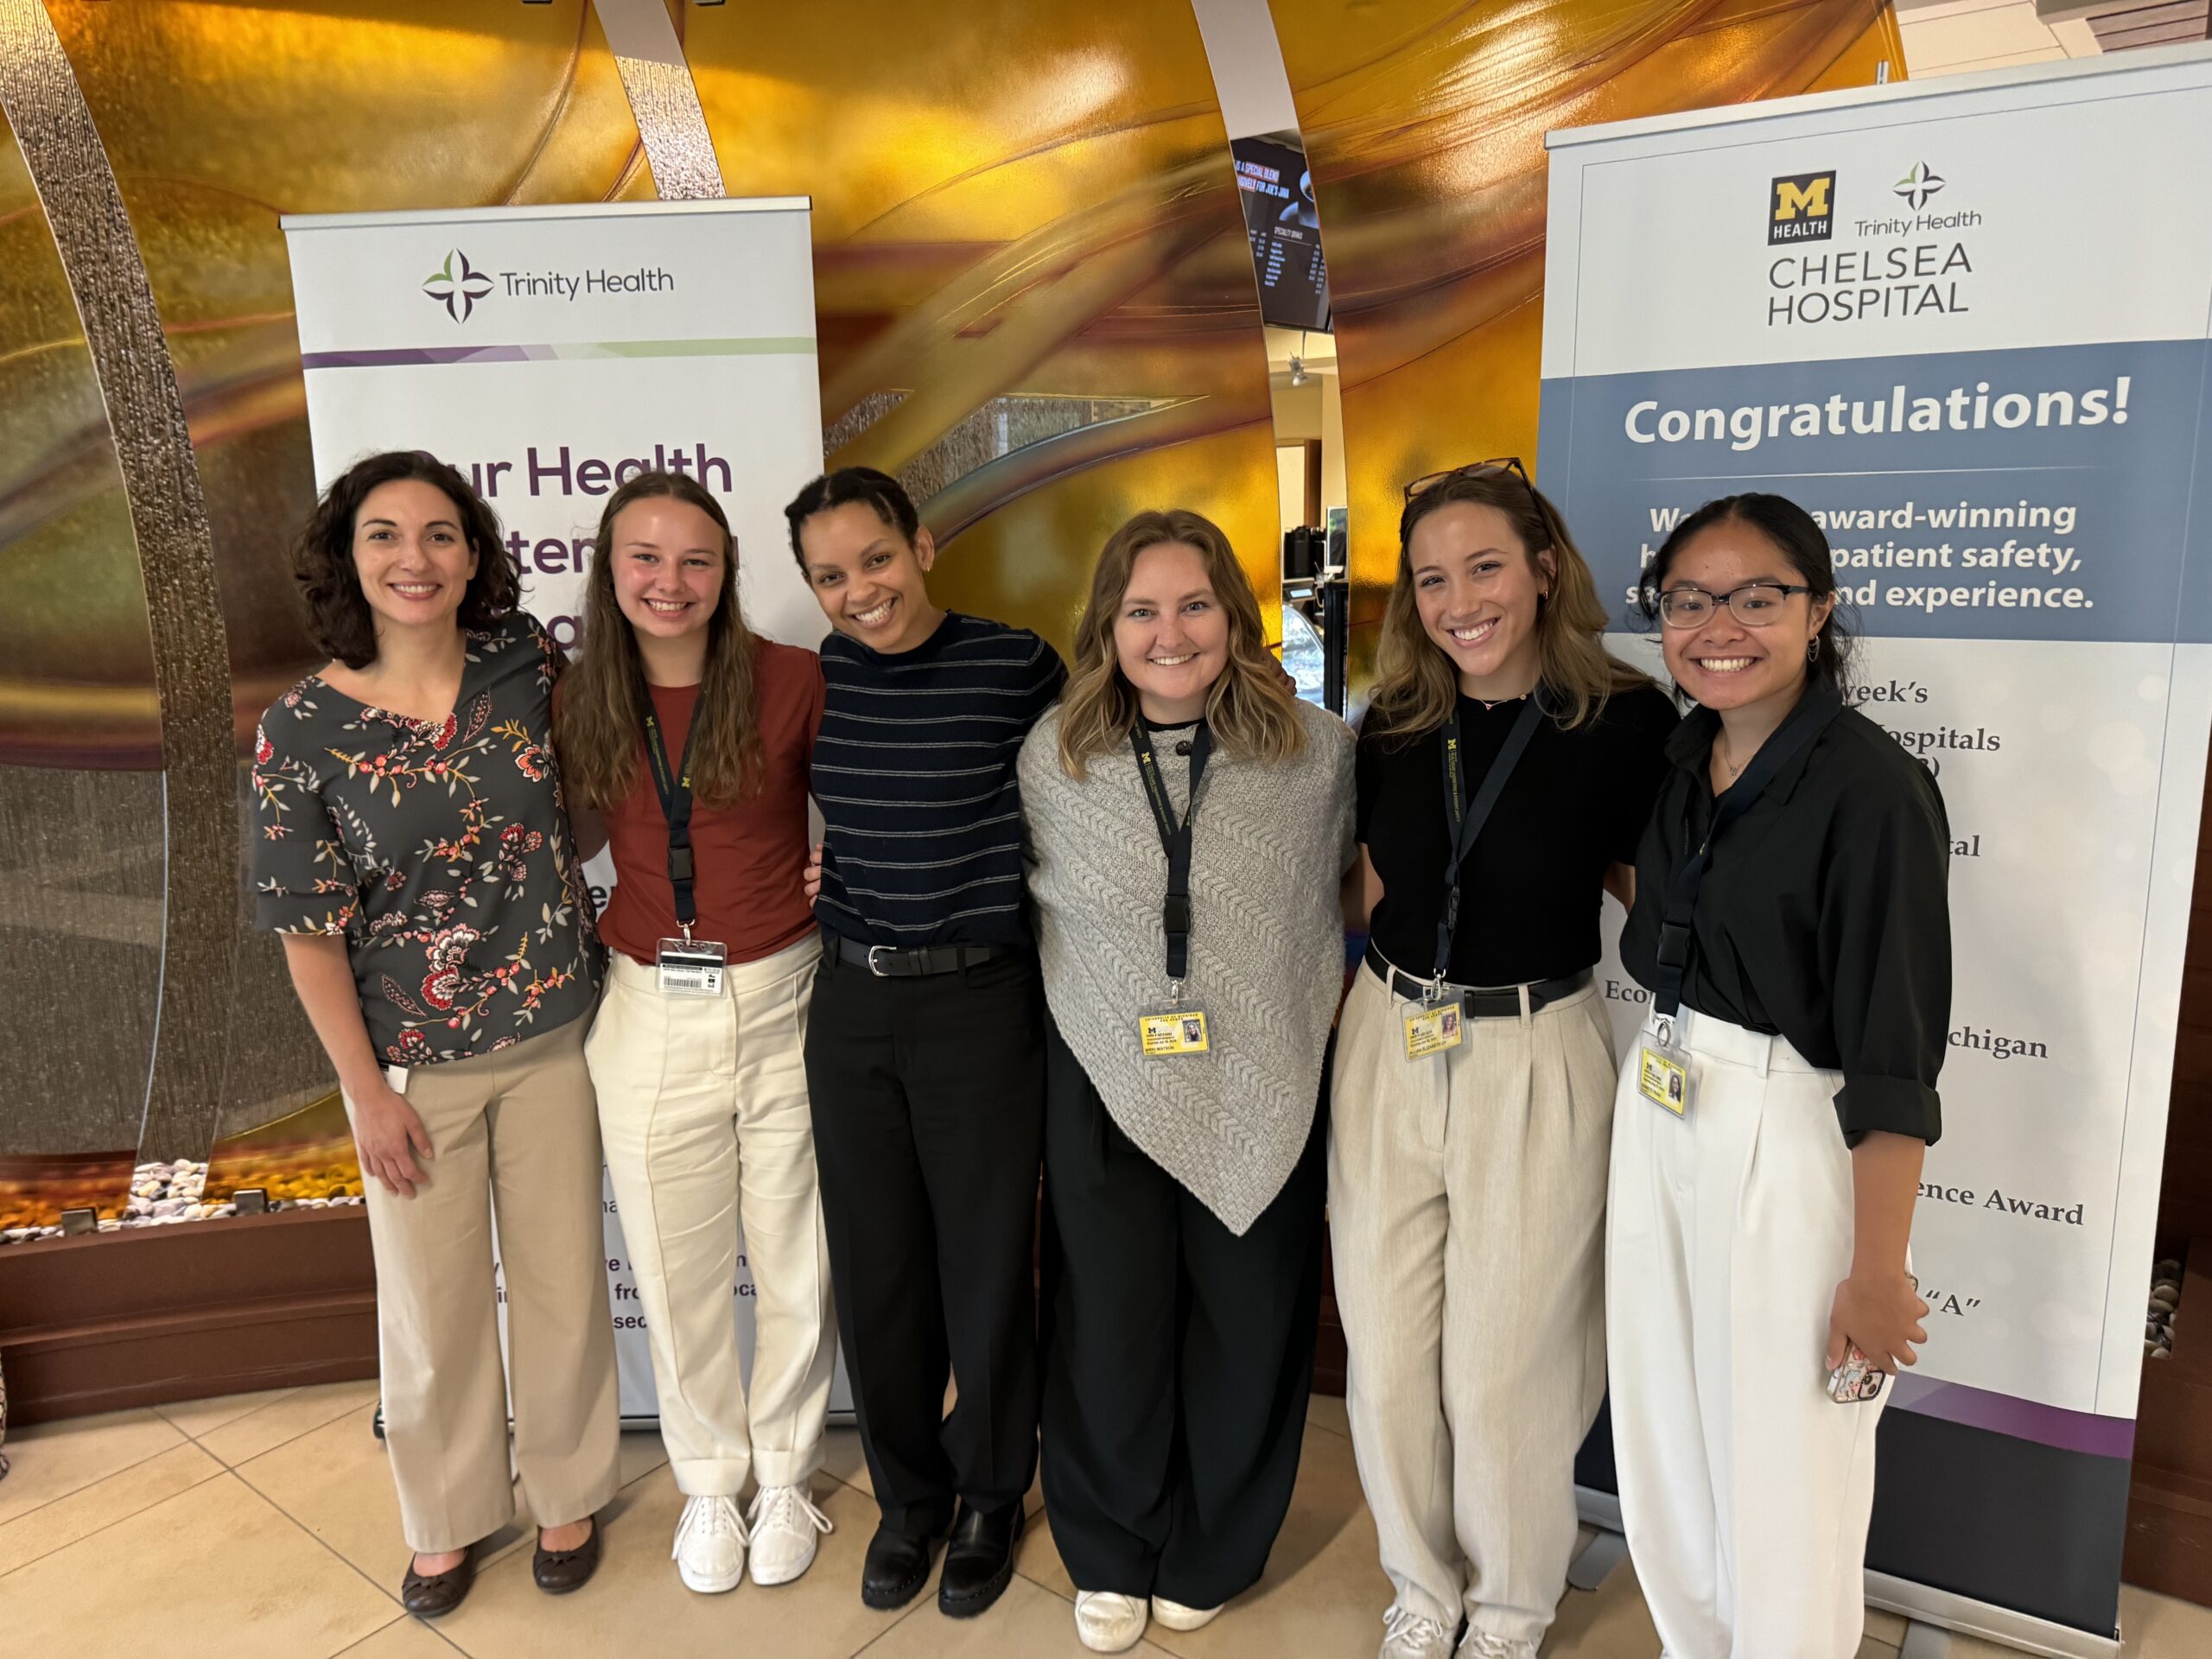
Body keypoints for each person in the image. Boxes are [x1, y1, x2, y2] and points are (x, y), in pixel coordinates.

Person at [251, 450, 615, 1617]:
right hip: (412, 1066)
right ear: (346, 560)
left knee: (563, 1282)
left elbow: (589, 802)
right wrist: (364, 1093)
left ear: (474, 556)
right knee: (432, 1305)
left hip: (555, 1031)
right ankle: (449, 1517)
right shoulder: (300, 732)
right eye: (385, 536)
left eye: (441, 534)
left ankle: (569, 1490)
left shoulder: (526, 664)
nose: (416, 558)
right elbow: (308, 933)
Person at [1332, 461, 1679, 1659]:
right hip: (1389, 1037)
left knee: (1504, 1365)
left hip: (1538, 1049)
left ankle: (1514, 1603)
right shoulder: (1395, 722)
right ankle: (1422, 1589)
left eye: (1484, 567)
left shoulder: (1628, 722)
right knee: (1384, 1352)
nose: (1458, 601)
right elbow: (1373, 890)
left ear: (1543, 567)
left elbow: (1660, 906)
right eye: (1431, 578)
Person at [1611, 492, 1947, 1659]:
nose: (1721, 627)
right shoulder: (1680, 755)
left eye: (1759, 598)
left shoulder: (1871, 791)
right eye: (1691, 600)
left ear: (1821, 611)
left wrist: (1876, 1274)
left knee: (1786, 1469)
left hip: (1789, 1135)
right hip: (1661, 1104)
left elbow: (1894, 1060)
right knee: (1669, 1436)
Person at [1019, 509, 1354, 1654]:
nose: (1171, 633)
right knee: (1107, 1324)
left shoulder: (1317, 755)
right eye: (1143, 610)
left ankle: (1215, 1545)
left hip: (1263, 1077)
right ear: (1108, 626)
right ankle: (1110, 1544)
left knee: (1250, 1324)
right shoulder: (1055, 756)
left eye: (1195, 604)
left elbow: (1361, 892)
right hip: (1106, 1075)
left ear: (1237, 616)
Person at [785, 466, 1065, 1619]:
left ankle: (994, 1492)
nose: (860, 592)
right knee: (880, 1268)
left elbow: (1084, 807)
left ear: (925, 544)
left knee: (989, 1261)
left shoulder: (1017, 665)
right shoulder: (813, 681)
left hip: (982, 1003)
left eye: (876, 560)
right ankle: (912, 1501)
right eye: (831, 576)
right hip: (851, 1004)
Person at [552, 471, 836, 1596]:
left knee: (794, 1257)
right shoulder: (578, 696)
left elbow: (860, 800)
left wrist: (843, 862)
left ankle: (789, 1473)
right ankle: (711, 1483)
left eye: (696, 560)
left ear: (726, 573)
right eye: (646, 558)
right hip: (645, 1008)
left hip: (787, 994)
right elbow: (556, 828)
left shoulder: (793, 681)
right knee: (673, 1268)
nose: (671, 583)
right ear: (611, 571)